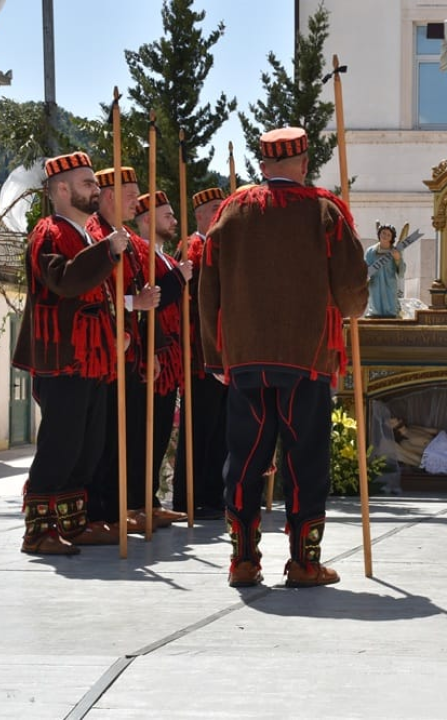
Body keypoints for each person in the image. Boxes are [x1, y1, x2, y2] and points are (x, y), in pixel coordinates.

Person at [199, 126, 369, 588]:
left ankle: (243, 562)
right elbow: (353, 296)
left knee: (246, 458)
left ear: (263, 165)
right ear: (303, 163)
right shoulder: (324, 211)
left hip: (245, 361)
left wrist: (217, 358)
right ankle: (304, 563)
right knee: (303, 460)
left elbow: (207, 287)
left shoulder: (232, 210)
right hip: (306, 357)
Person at [11, 150, 130, 555]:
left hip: (94, 355)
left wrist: (118, 333)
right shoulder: (48, 232)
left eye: (95, 183)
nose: (96, 190)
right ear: (61, 189)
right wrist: (108, 252)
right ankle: (38, 531)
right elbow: (64, 281)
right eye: (87, 183)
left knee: (89, 444)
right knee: (61, 444)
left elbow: (104, 295)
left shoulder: (91, 234)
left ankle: (73, 525)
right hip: (63, 356)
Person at [85, 166, 166, 535]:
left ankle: (123, 508)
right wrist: (135, 302)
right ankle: (100, 513)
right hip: (104, 353)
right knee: (104, 440)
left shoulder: (126, 236)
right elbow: (97, 292)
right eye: (131, 195)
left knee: (127, 438)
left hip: (130, 353)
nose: (137, 201)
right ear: (110, 196)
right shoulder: (95, 234)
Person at [131, 190, 192, 526]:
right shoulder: (140, 253)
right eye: (167, 215)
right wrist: (178, 279)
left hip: (170, 359)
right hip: (150, 357)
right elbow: (153, 300)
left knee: (159, 434)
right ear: (147, 220)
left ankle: (151, 499)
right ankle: (136, 502)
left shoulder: (167, 258)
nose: (174, 221)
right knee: (144, 432)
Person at [173, 186, 229, 520]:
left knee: (219, 430)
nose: (219, 215)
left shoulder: (221, 246)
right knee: (199, 430)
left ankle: (211, 495)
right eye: (214, 210)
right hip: (199, 354)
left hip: (222, 353)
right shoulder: (193, 247)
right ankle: (186, 498)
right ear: (200, 215)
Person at [365, 223, 405, 318]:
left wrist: (398, 259)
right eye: (383, 233)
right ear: (379, 234)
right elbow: (365, 268)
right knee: (375, 305)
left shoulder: (395, 251)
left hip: (389, 283)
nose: (385, 236)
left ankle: (392, 314)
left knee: (391, 307)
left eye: (388, 235)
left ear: (392, 238)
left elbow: (401, 272)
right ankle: (374, 313)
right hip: (375, 283)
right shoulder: (371, 251)